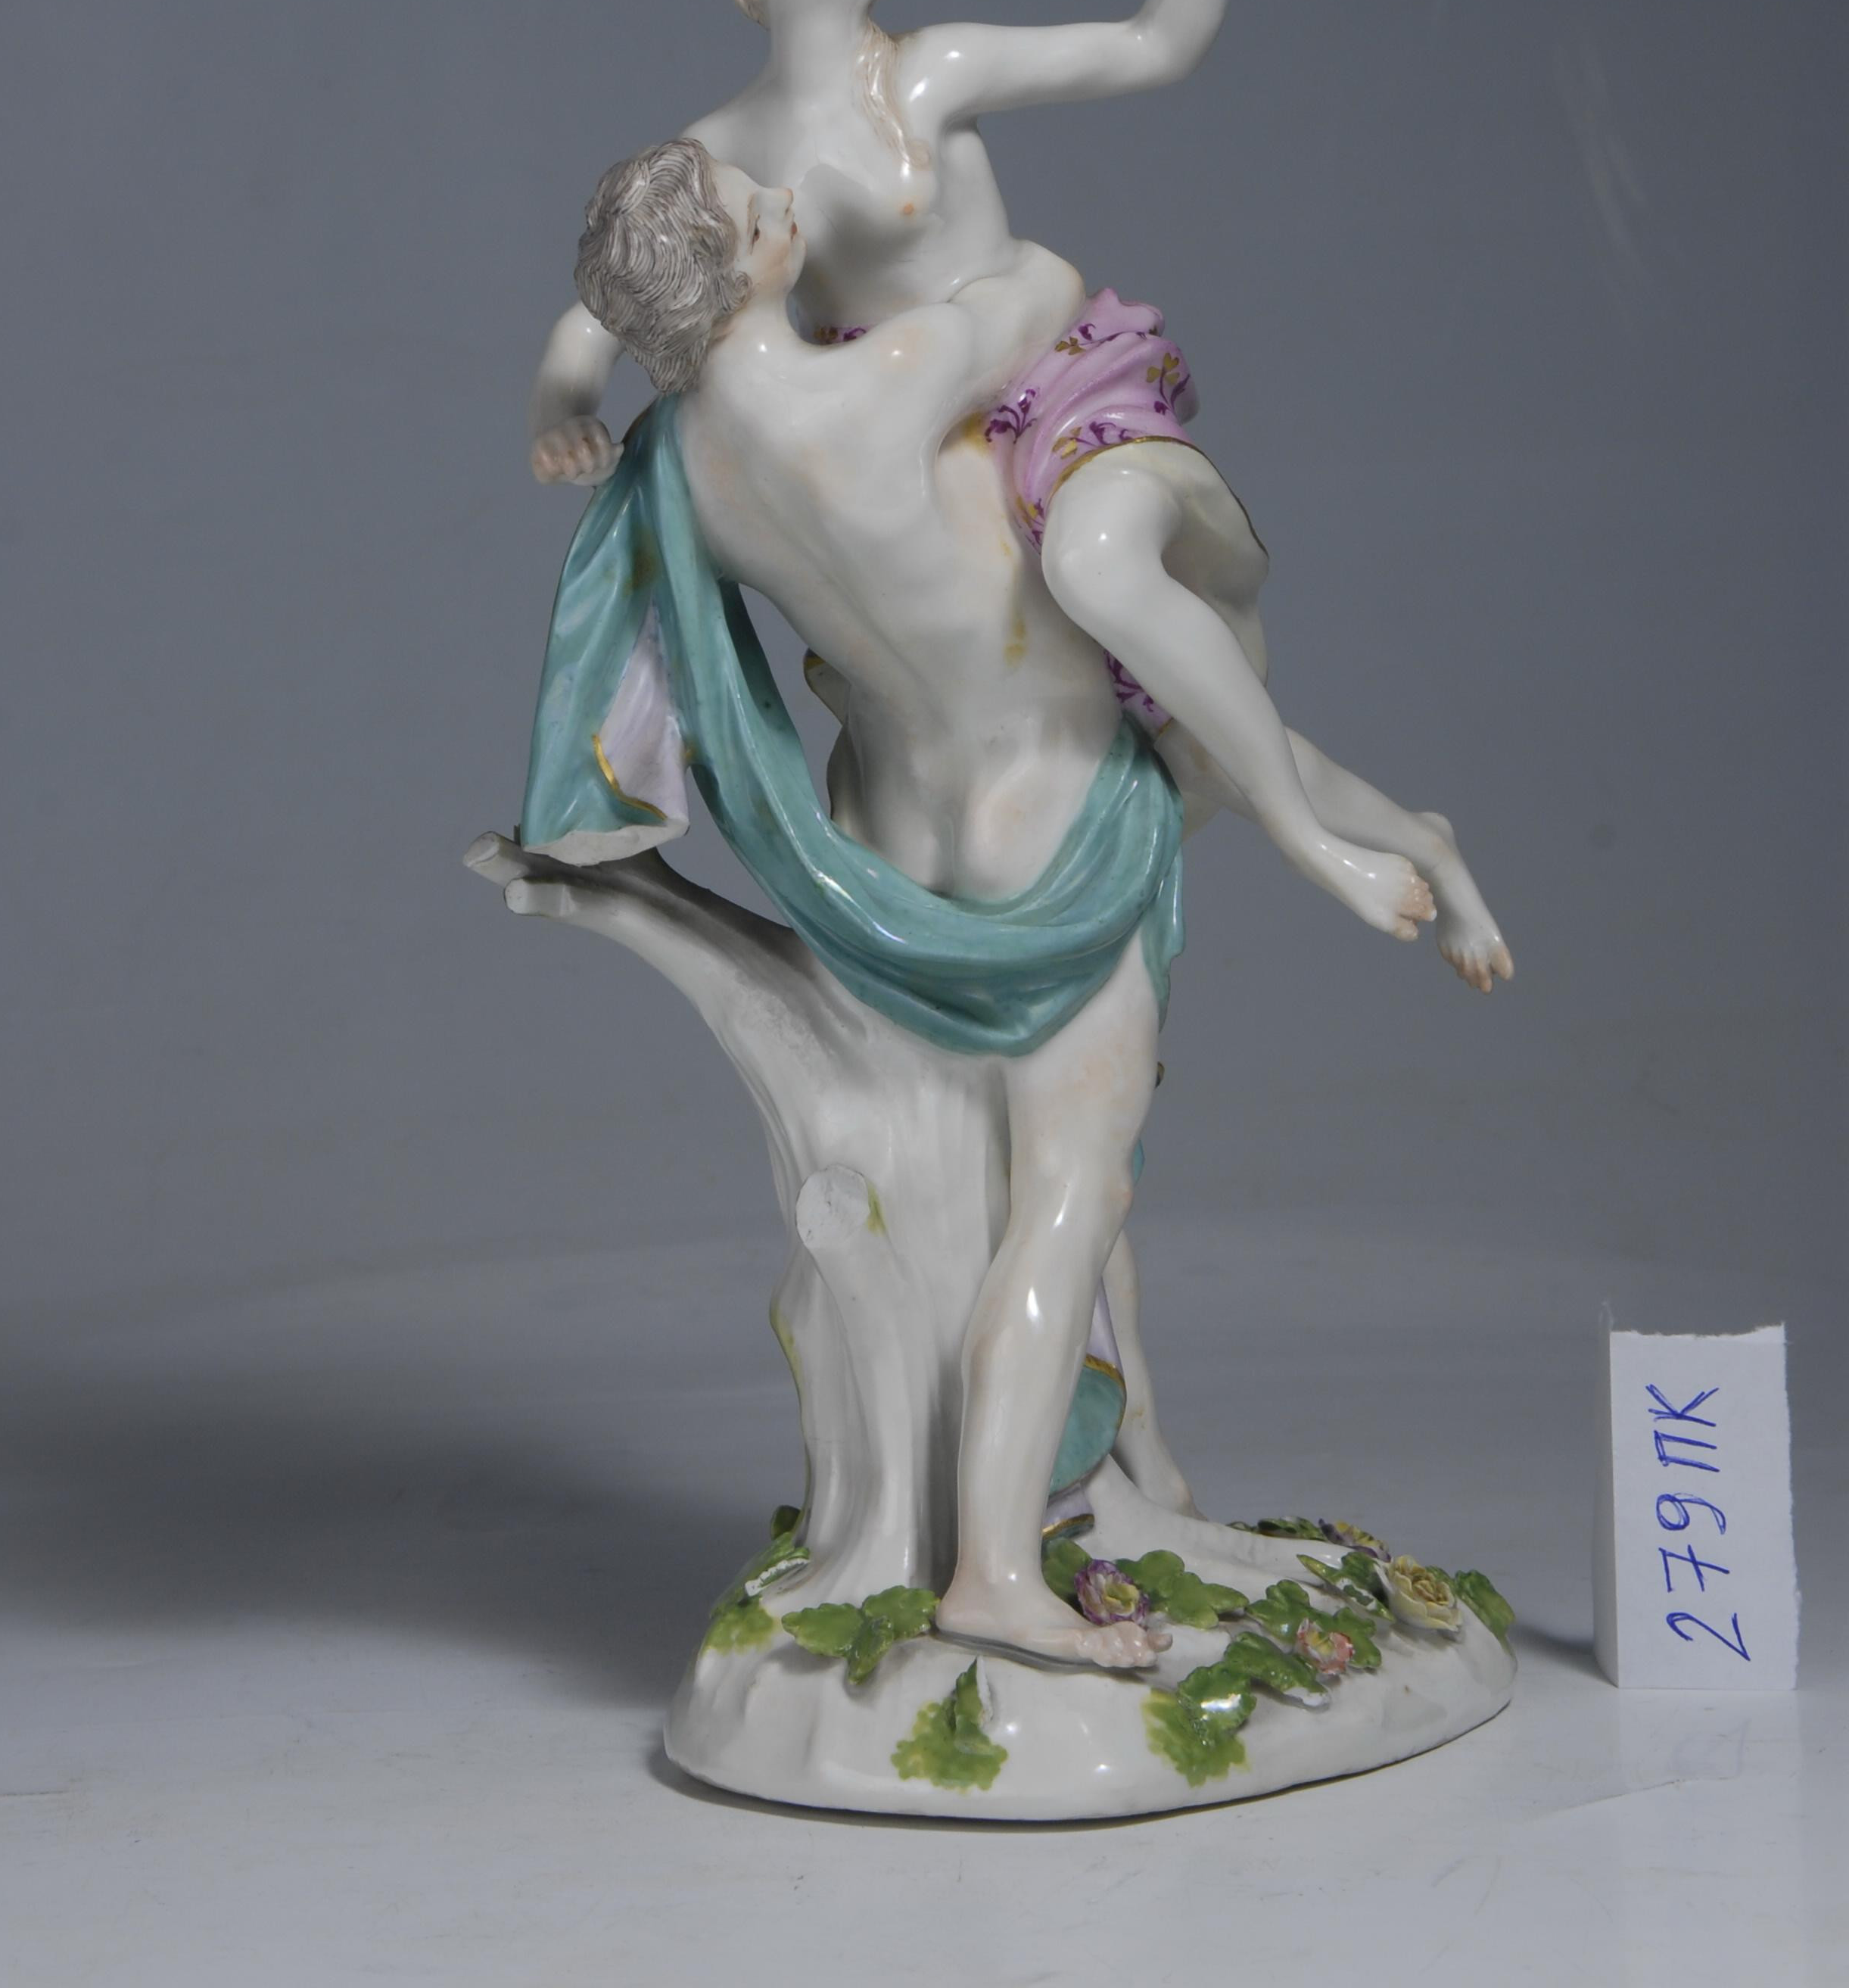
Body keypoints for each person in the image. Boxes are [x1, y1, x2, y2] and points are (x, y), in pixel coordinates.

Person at [552, 136, 1508, 1672]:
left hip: (895, 830)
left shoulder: (683, 467)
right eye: (758, 206)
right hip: (1047, 800)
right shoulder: (881, 382)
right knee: (1071, 1192)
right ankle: (995, 1568)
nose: (790, 201)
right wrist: (927, 229)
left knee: (1006, 1181)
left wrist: (582, 371)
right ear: (732, 271)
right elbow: (1044, 285)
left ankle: (1122, 1482)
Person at [528, 0, 1511, 982]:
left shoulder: (932, 70)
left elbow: (1154, 44)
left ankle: (1309, 839)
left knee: (1099, 570)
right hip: (898, 432)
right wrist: (565, 407)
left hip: (1046, 381)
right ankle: (1416, 839)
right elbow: (614, 301)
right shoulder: (723, 146)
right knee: (1047, 707)